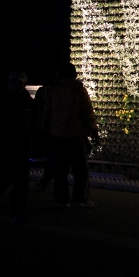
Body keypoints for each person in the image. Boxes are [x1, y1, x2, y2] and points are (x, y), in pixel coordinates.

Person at [40, 62, 99, 207]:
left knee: (60, 169)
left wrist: (43, 130)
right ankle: (79, 199)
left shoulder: (53, 90)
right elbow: (87, 112)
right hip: (76, 134)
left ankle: (61, 199)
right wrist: (93, 130)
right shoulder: (78, 89)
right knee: (80, 169)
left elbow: (47, 112)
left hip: (57, 135)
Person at [0, 70, 34, 223]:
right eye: (13, 82)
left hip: (20, 148)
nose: (15, 85)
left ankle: (16, 212)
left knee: (21, 182)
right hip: (3, 147)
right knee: (2, 179)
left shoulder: (27, 102)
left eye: (18, 83)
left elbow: (33, 126)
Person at [33, 66, 58, 191]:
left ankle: (46, 180)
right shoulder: (55, 91)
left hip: (46, 126)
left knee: (49, 155)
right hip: (53, 127)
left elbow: (36, 107)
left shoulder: (43, 91)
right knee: (51, 156)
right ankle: (48, 180)